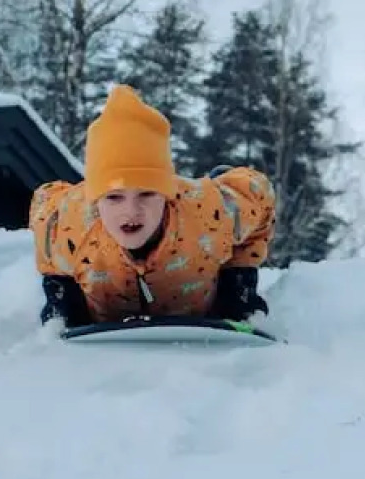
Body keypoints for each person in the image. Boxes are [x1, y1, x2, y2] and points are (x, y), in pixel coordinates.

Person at [28, 83, 276, 329]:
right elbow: (42, 208)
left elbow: (259, 191)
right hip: (103, 309)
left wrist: (238, 281)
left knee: (224, 188)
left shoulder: (211, 215)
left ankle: (210, 178)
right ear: (95, 199)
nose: (131, 212)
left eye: (147, 194)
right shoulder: (67, 223)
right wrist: (62, 301)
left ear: (167, 195)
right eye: (114, 197)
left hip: (197, 292)